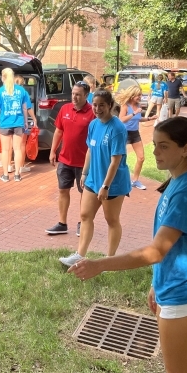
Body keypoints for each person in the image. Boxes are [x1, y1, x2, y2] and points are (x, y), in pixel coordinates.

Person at [68, 117, 187, 373]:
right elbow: (174, 250)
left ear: (186, 149)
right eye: (154, 145)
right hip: (176, 289)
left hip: (186, 296)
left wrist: (100, 264)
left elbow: (157, 251)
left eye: (163, 146)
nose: (155, 152)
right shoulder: (180, 181)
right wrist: (156, 283)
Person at [59, 89, 131, 267]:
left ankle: (110, 260)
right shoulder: (93, 125)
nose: (97, 109)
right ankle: (79, 255)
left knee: (111, 220)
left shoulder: (118, 129)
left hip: (112, 183)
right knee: (85, 215)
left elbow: (115, 161)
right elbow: (90, 150)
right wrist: (84, 173)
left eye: (102, 106)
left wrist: (105, 186)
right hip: (93, 179)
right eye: (95, 105)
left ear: (110, 106)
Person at [45, 80, 95, 236]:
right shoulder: (65, 109)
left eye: (78, 95)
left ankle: (82, 223)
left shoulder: (92, 112)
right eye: (73, 94)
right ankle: (62, 223)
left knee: (84, 194)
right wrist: (53, 151)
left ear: (86, 95)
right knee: (63, 190)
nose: (74, 97)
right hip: (65, 160)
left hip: (84, 163)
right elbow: (59, 131)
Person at [0, 68, 31, 182]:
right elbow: (25, 108)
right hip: (18, 123)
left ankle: (5, 175)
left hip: (4, 123)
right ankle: (17, 175)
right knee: (17, 149)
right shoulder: (21, 91)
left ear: (3, 77)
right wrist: (25, 121)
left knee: (5, 150)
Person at [117, 85, 155, 190]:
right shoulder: (125, 106)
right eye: (138, 95)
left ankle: (135, 181)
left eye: (140, 95)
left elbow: (138, 119)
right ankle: (117, 178)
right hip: (124, 133)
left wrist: (149, 118)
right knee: (120, 158)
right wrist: (134, 113)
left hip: (135, 133)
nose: (140, 97)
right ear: (132, 95)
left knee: (141, 157)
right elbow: (121, 120)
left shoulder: (138, 106)